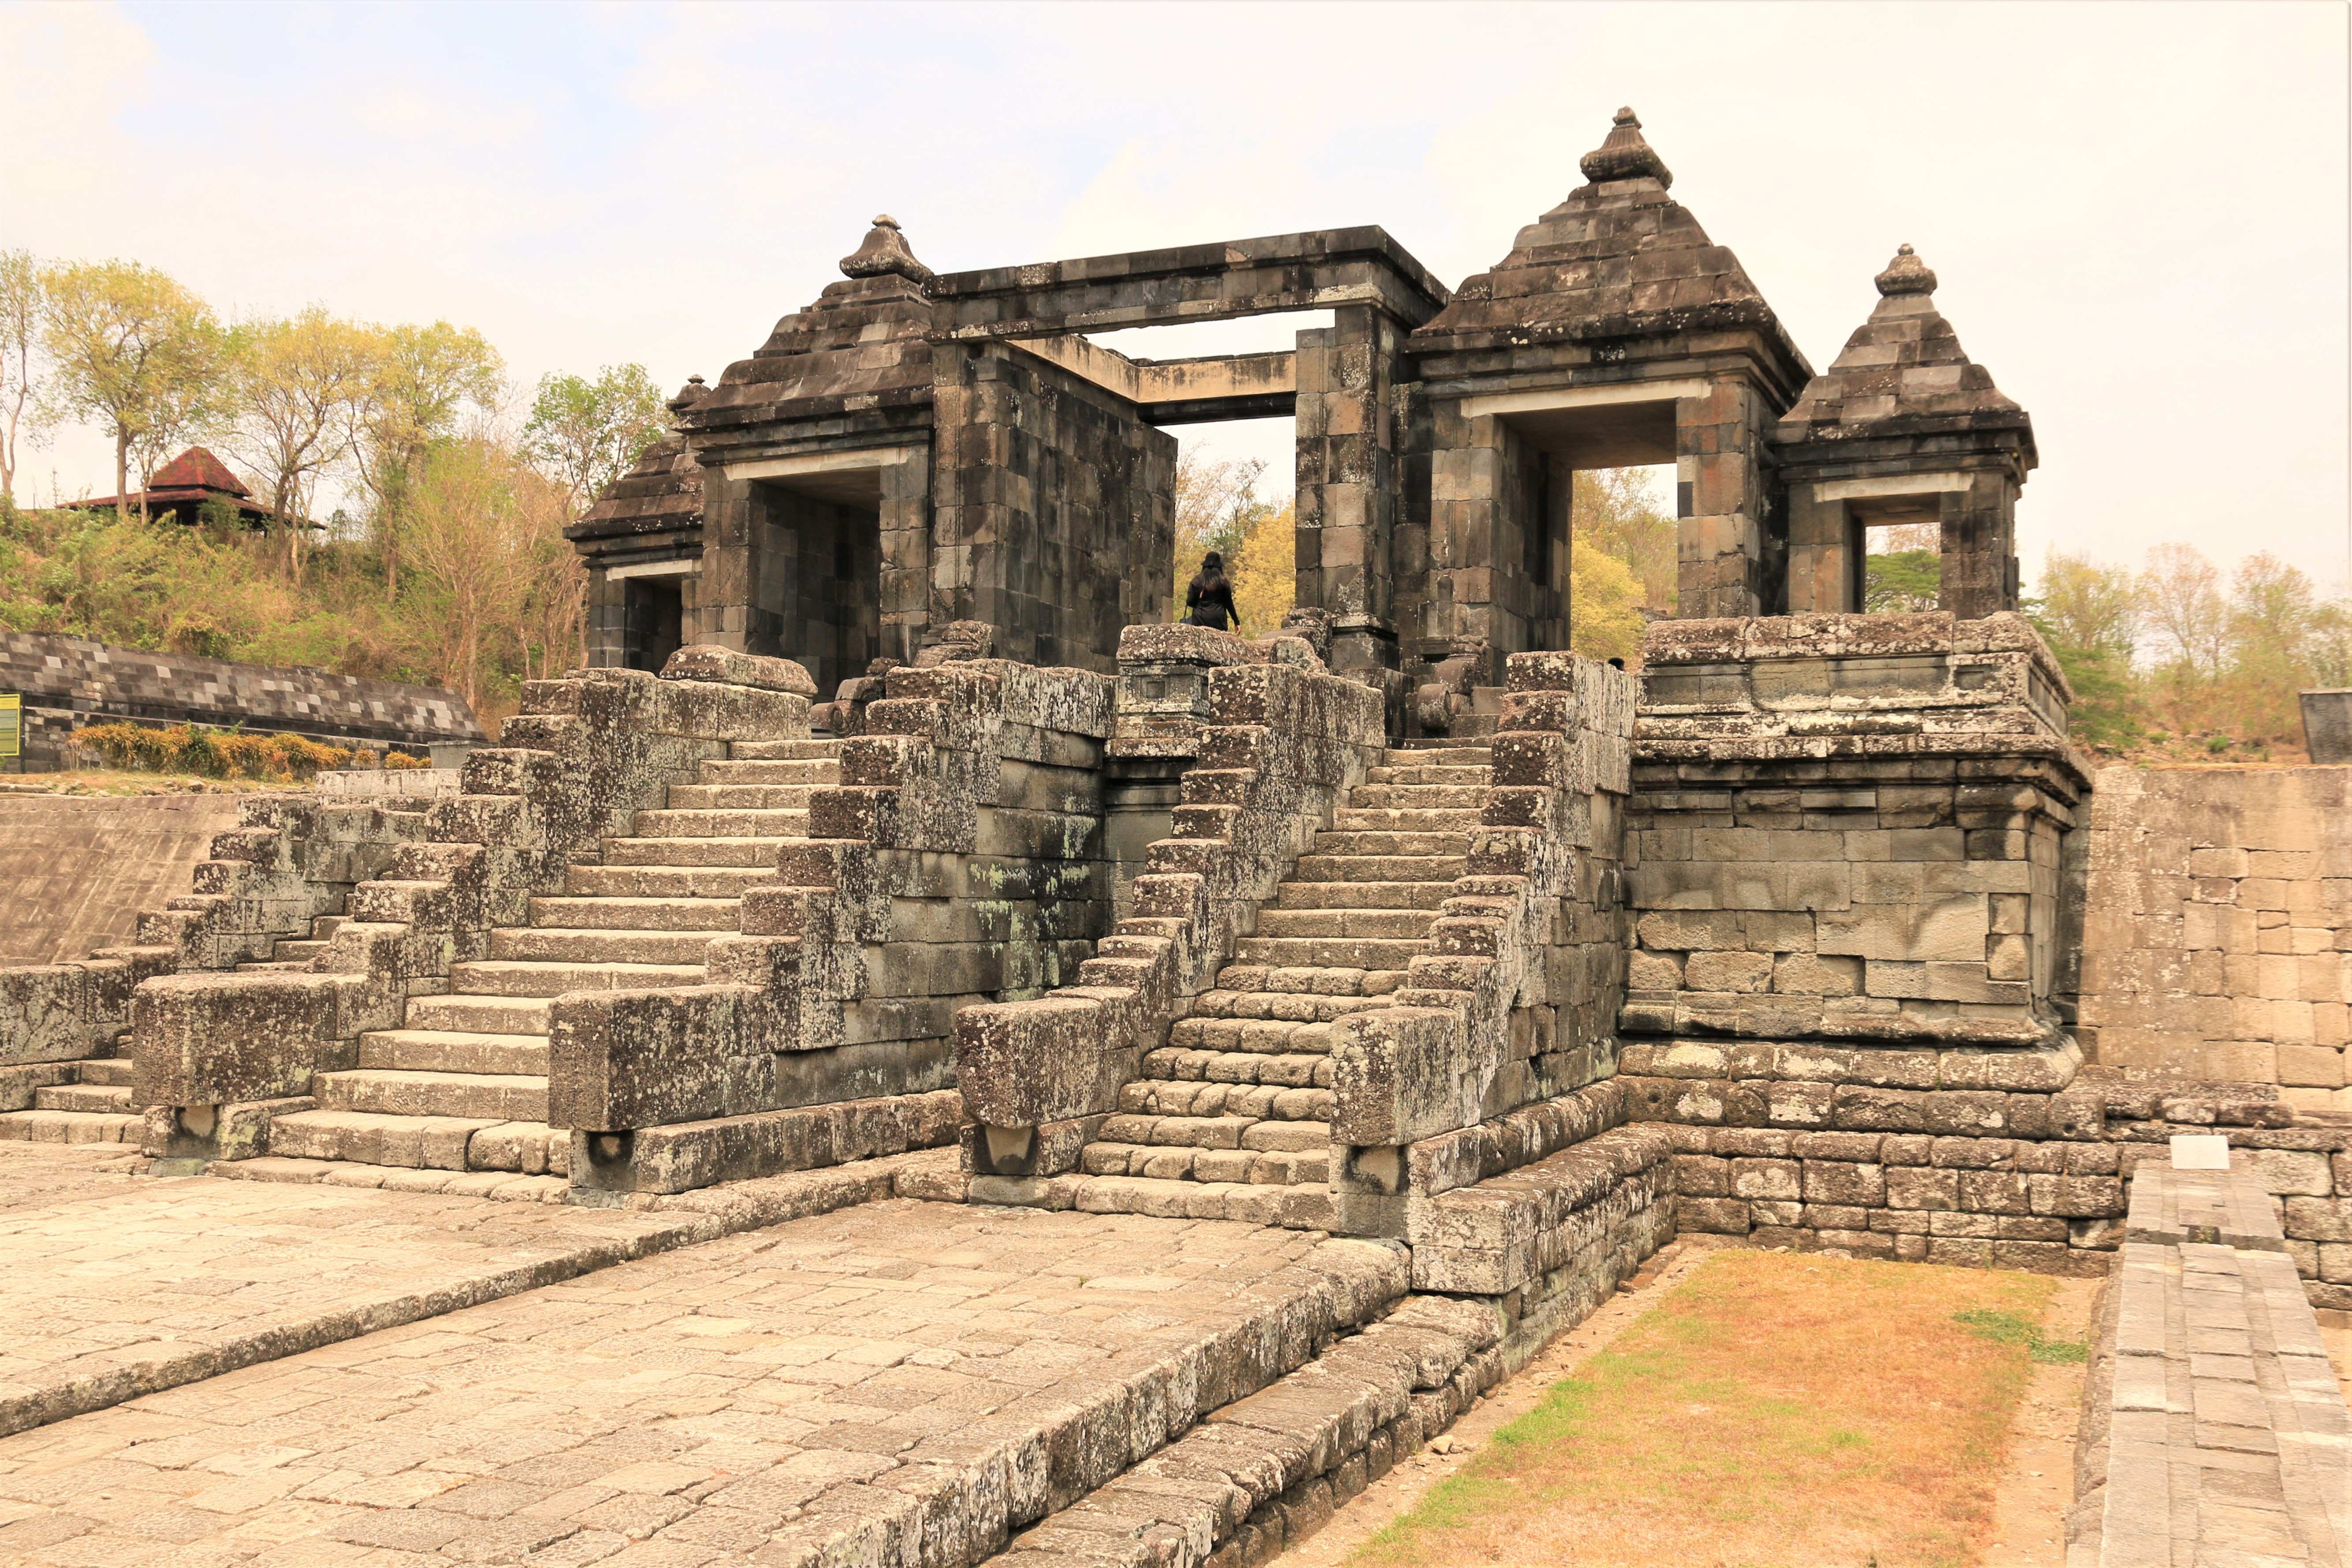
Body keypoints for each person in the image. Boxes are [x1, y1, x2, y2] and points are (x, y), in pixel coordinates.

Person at [1185, 551, 1239, 632]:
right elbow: (1229, 604)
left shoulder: (1196, 582)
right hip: (1219, 622)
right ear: (1219, 568)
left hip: (1200, 621)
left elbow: (1190, 602)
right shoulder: (1224, 583)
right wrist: (1236, 622)